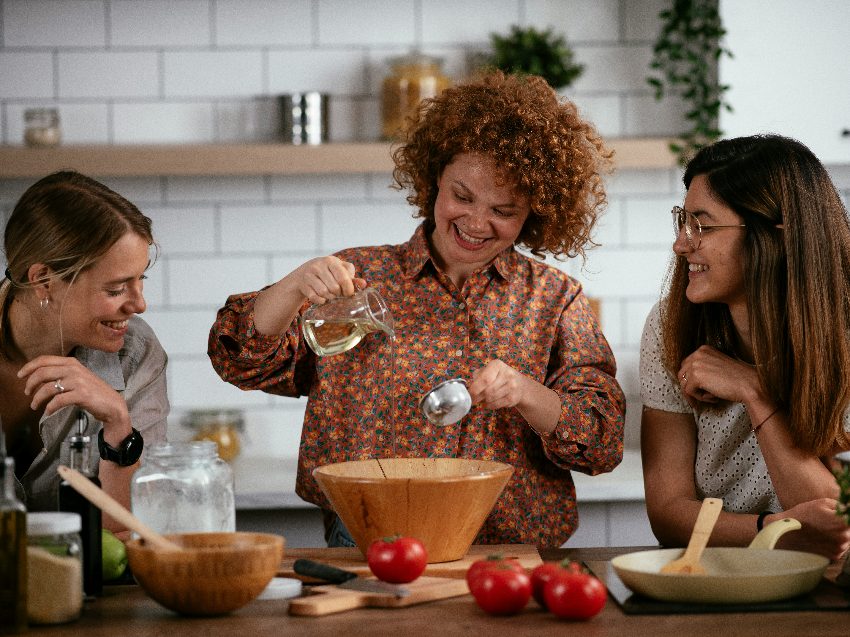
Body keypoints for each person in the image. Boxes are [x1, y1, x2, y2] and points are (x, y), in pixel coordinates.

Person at [209, 71, 625, 548]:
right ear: (433, 181)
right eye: (461, 196)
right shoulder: (357, 276)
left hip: (508, 548)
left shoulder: (554, 299)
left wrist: (525, 392)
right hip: (366, 539)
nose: (474, 222)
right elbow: (239, 359)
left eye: (503, 210)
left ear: (536, 212)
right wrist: (293, 285)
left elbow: (601, 440)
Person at [640, 134, 850, 560]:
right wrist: (769, 530)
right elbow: (667, 513)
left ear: (777, 236)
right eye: (683, 220)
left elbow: (836, 526)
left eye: (704, 224)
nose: (682, 244)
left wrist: (754, 392)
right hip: (720, 573)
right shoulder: (669, 325)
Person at [0, 171, 169, 536]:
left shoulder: (136, 355)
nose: (140, 304)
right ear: (44, 281)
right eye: (115, 289)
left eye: (141, 281)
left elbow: (126, 540)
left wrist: (119, 427)